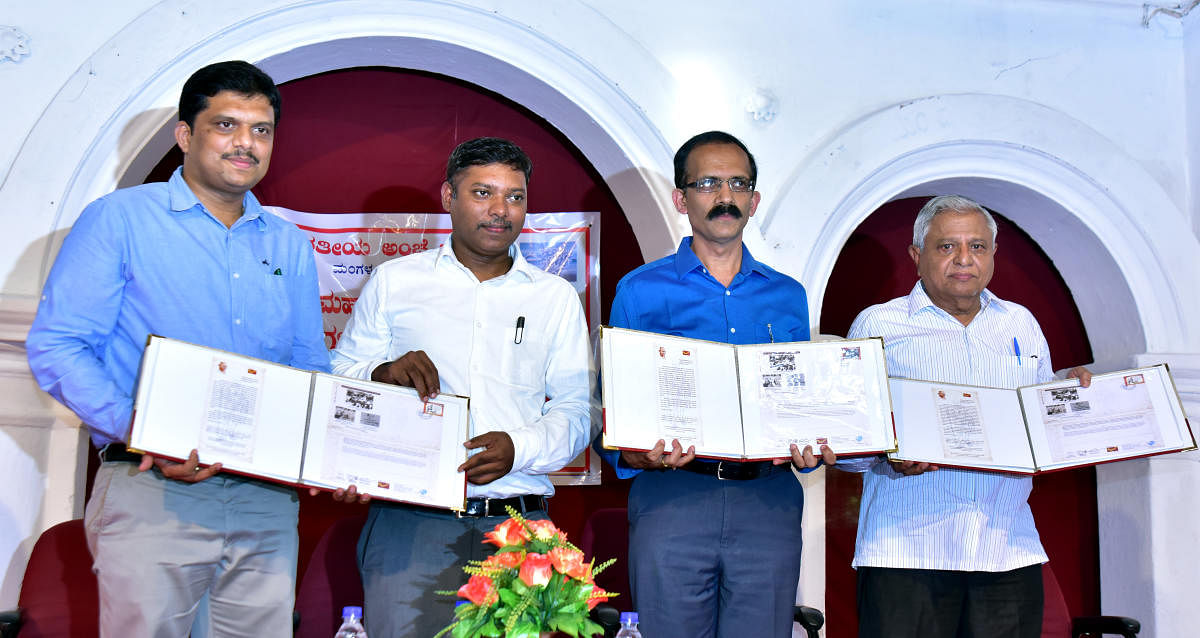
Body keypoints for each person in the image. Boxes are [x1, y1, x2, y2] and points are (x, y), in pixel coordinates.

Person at [26, 61, 329, 637]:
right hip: (151, 486)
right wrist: (142, 430)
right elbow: (58, 346)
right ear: (186, 135)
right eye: (226, 125)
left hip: (263, 502)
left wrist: (326, 453)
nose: (246, 143)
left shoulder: (288, 245)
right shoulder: (119, 220)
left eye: (261, 130)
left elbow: (308, 367)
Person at [328, 137, 595, 637]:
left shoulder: (555, 297)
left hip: (518, 529)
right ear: (449, 197)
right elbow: (339, 382)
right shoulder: (395, 281)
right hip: (411, 523)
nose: (500, 210)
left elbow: (579, 411)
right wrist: (381, 372)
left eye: (515, 196)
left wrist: (519, 447)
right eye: (483, 193)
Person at [599, 130, 836, 638]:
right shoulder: (639, 290)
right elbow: (615, 406)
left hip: (768, 502)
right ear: (681, 199)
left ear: (754, 199)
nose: (724, 196)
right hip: (673, 497)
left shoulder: (787, 295)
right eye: (708, 183)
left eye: (737, 183)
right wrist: (637, 452)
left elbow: (797, 398)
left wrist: (812, 438)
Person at [841, 194, 1092, 638]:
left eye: (977, 246)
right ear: (917, 256)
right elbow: (847, 444)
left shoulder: (1021, 323)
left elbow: (1039, 420)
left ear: (993, 255)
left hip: (1007, 551)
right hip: (907, 555)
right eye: (946, 246)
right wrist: (887, 458)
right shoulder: (878, 324)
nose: (964, 259)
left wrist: (1069, 395)